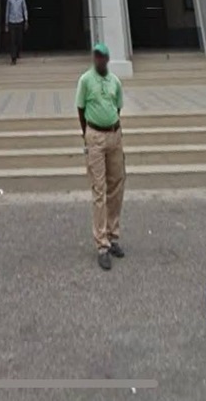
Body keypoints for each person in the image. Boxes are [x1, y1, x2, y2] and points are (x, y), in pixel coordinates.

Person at [76, 43, 125, 270]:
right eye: (96, 56)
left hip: (114, 136)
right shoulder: (85, 80)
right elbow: (80, 108)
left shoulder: (115, 81)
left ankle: (113, 235)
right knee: (99, 189)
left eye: (103, 57)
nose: (100, 60)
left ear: (107, 59)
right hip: (95, 137)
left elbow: (118, 107)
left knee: (116, 185)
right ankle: (102, 244)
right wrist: (87, 134)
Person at [4, 0, 28, 64]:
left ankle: (17, 53)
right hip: (12, 21)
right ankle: (13, 58)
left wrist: (26, 20)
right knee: (13, 40)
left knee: (19, 39)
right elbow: (7, 10)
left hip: (20, 21)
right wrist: (6, 23)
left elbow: (24, 9)